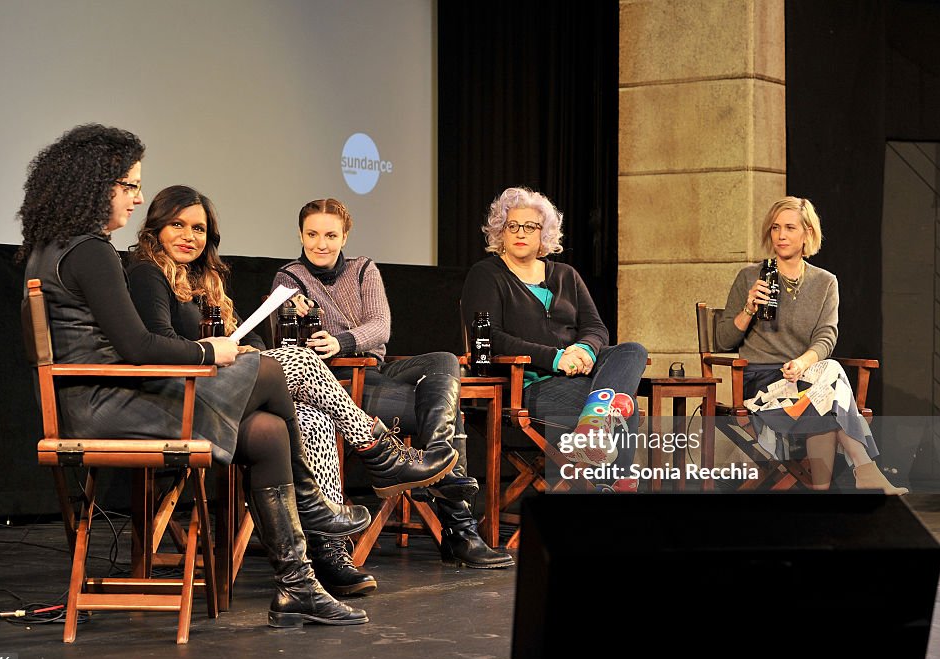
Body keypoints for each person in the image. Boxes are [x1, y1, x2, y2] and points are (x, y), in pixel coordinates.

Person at [17, 125, 447, 628]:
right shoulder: (90, 251)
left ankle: (297, 586)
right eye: (129, 186)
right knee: (266, 366)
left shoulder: (59, 247)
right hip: (106, 406)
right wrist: (209, 349)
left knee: (266, 433)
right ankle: (334, 486)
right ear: (97, 185)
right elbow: (139, 347)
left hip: (106, 400)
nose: (135, 198)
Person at [126, 185, 457, 595]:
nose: (189, 236)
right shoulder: (147, 272)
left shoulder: (200, 279)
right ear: (156, 227)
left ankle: (328, 552)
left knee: (312, 415)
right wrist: (218, 349)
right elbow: (157, 344)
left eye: (198, 228)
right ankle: (378, 452)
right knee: (301, 360)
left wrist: (243, 347)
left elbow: (258, 343)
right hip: (184, 397)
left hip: (218, 390)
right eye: (177, 225)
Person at [273, 198, 514, 569]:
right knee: (451, 415)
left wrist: (343, 340)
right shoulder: (288, 279)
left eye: (331, 235)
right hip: (335, 383)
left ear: (345, 235)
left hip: (378, 370)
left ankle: (433, 464)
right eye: (312, 234)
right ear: (300, 234)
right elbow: (283, 345)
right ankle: (460, 530)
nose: (321, 244)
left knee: (445, 361)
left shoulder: (363, 269)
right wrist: (292, 312)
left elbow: (380, 327)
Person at [715, 196, 907, 494]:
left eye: (790, 228)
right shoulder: (750, 276)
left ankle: (826, 490)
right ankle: (863, 467)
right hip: (762, 387)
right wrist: (749, 307)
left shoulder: (825, 282)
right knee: (829, 390)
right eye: (776, 228)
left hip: (805, 381)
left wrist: (802, 363)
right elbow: (724, 340)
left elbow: (826, 337)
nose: (781, 235)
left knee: (824, 386)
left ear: (807, 234)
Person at [460, 186, 649, 488]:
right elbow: (492, 337)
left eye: (530, 227)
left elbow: (596, 328)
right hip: (530, 384)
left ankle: (592, 430)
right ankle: (612, 483)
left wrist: (586, 350)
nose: (521, 233)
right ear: (501, 232)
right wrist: (557, 358)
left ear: (543, 234)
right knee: (623, 407)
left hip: (580, 375)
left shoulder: (566, 275)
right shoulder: (487, 274)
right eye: (513, 226)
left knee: (632, 351)